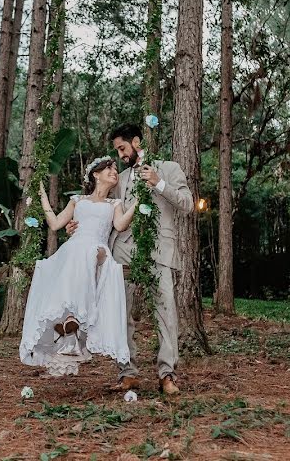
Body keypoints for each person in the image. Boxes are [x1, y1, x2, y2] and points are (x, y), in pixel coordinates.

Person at [70, 124, 193, 394]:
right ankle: (127, 372)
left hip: (159, 252)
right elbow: (102, 210)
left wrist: (159, 183)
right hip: (123, 252)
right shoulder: (120, 179)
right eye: (117, 151)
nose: (120, 155)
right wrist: (76, 226)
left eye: (122, 148)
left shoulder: (169, 168)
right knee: (121, 314)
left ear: (137, 141)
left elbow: (187, 203)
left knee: (166, 312)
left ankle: (167, 374)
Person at [19, 157, 136, 376]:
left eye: (115, 169)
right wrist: (42, 194)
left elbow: (120, 225)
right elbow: (54, 224)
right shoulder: (77, 200)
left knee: (87, 251)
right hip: (76, 247)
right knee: (68, 254)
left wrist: (138, 203)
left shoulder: (114, 204)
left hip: (98, 249)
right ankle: (69, 324)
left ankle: (74, 318)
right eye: (109, 169)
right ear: (96, 174)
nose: (114, 172)